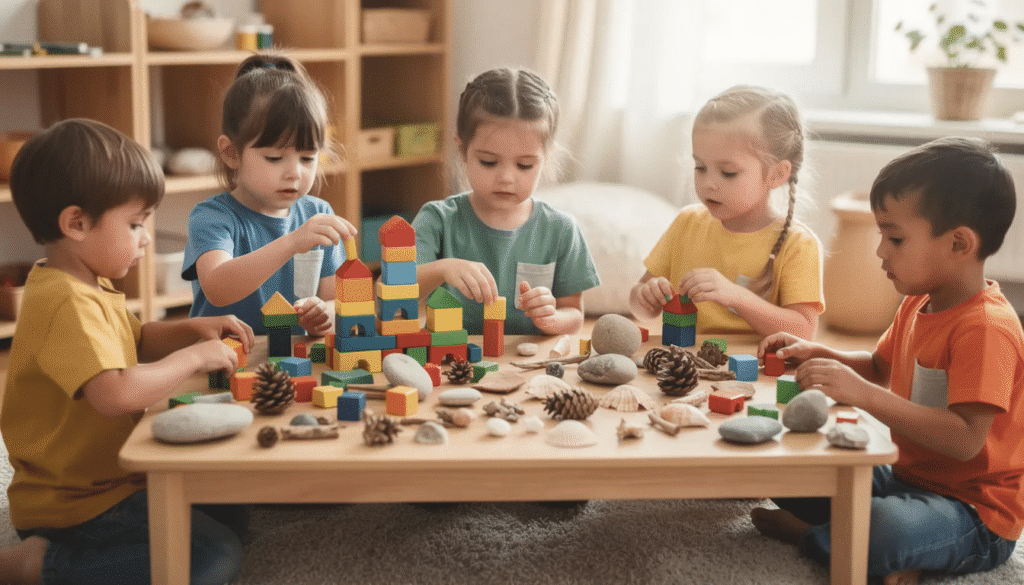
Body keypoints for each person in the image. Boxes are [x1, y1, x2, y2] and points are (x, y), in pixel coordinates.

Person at [752, 137, 1024, 585]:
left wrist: (862, 396)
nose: (881, 250)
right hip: (903, 474)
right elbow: (880, 366)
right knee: (793, 466)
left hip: (973, 510)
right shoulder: (919, 303)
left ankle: (816, 537)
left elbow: (965, 440)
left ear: (959, 244)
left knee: (884, 527)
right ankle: (866, 542)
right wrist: (822, 354)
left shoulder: (987, 328)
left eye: (894, 237)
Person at [0, 118, 255, 585]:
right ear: (76, 223)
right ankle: (36, 565)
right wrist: (192, 359)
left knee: (232, 505)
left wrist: (193, 329)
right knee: (213, 557)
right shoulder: (66, 303)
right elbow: (114, 394)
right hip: (75, 504)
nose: (145, 238)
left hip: (111, 480)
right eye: (135, 224)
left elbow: (132, 340)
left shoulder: (82, 284)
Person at [412, 67, 600, 336]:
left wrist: (551, 318)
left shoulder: (561, 229)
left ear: (545, 158)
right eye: (489, 162)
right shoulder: (437, 220)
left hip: (527, 364)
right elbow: (389, 292)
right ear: (462, 150)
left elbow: (574, 314)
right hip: (449, 362)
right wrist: (443, 269)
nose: (506, 178)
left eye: (524, 165)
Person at [629, 85, 823, 339]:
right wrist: (645, 298)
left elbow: (804, 331)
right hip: (689, 365)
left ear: (776, 174)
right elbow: (637, 304)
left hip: (757, 372)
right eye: (700, 167)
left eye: (728, 172)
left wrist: (739, 297)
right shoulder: (687, 224)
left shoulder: (797, 244)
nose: (708, 182)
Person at [184, 52, 357, 336]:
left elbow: (338, 304)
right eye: (275, 158)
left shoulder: (319, 215)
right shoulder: (212, 217)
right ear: (231, 153)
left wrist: (323, 314)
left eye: (307, 158)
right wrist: (291, 243)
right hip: (225, 363)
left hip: (292, 362)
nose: (295, 173)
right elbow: (217, 287)